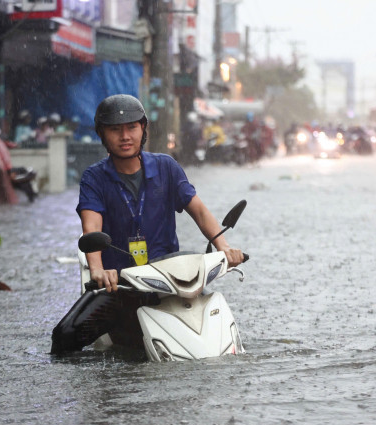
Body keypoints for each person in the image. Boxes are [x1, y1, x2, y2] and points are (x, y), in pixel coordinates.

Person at [51, 94, 244, 354]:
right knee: (64, 337)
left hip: (172, 283)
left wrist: (224, 247)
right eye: (115, 130)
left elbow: (198, 211)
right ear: (102, 134)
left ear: (143, 129)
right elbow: (91, 228)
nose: (125, 136)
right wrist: (98, 270)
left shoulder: (166, 167)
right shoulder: (94, 178)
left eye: (132, 127)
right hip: (122, 285)